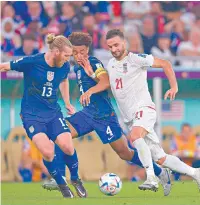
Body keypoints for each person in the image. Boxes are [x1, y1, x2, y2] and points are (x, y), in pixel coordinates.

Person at [42, 32, 172, 196]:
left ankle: (160, 172)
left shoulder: (94, 63)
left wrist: (90, 91)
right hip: (87, 114)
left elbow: (105, 82)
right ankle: (59, 177)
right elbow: (61, 78)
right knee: (60, 134)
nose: (78, 55)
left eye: (82, 51)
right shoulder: (75, 66)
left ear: (87, 50)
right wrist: (67, 103)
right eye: (75, 52)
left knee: (125, 153)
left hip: (104, 117)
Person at [104, 29, 200, 191]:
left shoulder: (135, 59)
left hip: (144, 109)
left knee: (135, 137)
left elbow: (165, 63)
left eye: (116, 45)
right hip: (130, 118)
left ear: (124, 43)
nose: (113, 49)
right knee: (160, 157)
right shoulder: (111, 64)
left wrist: (174, 86)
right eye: (110, 47)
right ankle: (195, 173)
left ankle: (151, 178)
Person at [0, 34, 83, 198]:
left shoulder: (64, 66)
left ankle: (75, 178)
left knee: (67, 146)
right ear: (56, 52)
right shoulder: (32, 62)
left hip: (53, 113)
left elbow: (64, 80)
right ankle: (61, 184)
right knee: (47, 152)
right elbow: (3, 66)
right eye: (66, 55)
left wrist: (67, 102)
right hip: (31, 115)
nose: (68, 59)